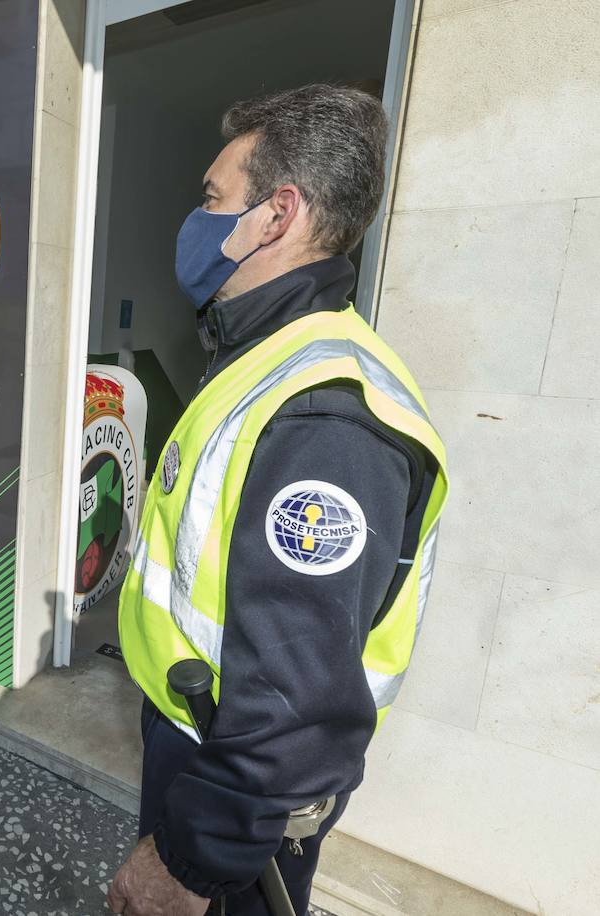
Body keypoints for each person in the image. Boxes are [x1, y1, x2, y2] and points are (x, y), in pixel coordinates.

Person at [106, 84, 449, 916]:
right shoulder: (271, 361)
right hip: (198, 742)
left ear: (275, 214)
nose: (198, 219)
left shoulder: (326, 414)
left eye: (214, 199)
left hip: (237, 793)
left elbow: (296, 705)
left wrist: (191, 863)